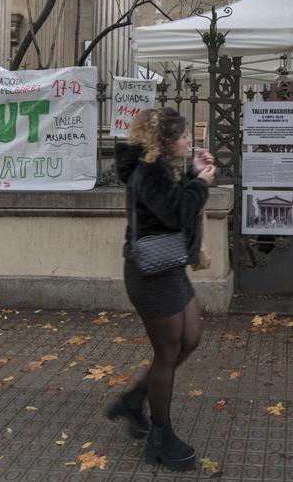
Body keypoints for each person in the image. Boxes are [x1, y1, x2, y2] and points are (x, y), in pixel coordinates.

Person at [106, 108, 216, 472]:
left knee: (191, 338)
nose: (189, 140)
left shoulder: (162, 167)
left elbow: (171, 201)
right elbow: (173, 213)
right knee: (168, 351)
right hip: (150, 274)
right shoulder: (148, 171)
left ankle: (135, 399)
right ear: (166, 142)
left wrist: (194, 173)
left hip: (169, 267)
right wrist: (200, 183)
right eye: (184, 136)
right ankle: (160, 437)